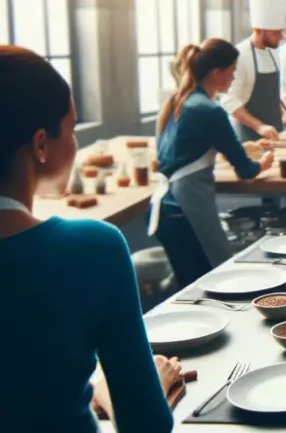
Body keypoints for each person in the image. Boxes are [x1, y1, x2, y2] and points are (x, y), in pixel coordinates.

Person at [0, 46, 178, 432]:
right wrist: (128, 388)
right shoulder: (92, 248)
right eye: (74, 127)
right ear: (41, 143)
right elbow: (146, 426)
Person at [152, 39, 275, 286]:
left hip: (165, 205)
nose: (233, 77)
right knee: (218, 278)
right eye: (232, 70)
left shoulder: (178, 101)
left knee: (190, 281)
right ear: (217, 72)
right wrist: (264, 162)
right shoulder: (210, 111)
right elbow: (246, 170)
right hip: (187, 205)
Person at [222, 0, 286, 141]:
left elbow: (270, 96)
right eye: (276, 33)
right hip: (246, 134)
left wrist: (284, 115)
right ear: (259, 30)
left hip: (273, 131)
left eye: (281, 32)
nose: (281, 37)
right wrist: (259, 126)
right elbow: (229, 101)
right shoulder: (239, 55)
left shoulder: (273, 53)